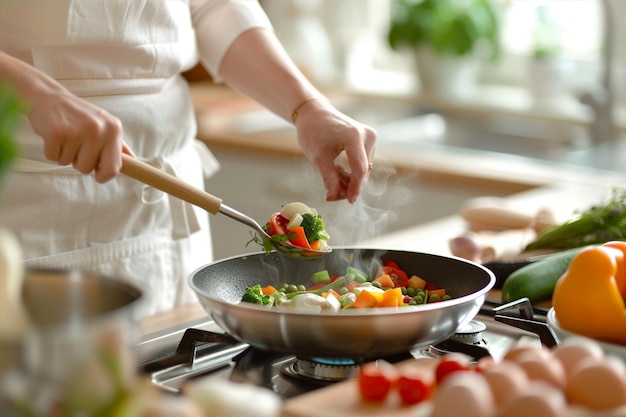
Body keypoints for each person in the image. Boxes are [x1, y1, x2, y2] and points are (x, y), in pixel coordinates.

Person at [0, 1, 377, 317]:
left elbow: (211, 7)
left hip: (173, 207)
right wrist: (33, 92)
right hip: (38, 198)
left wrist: (307, 106)